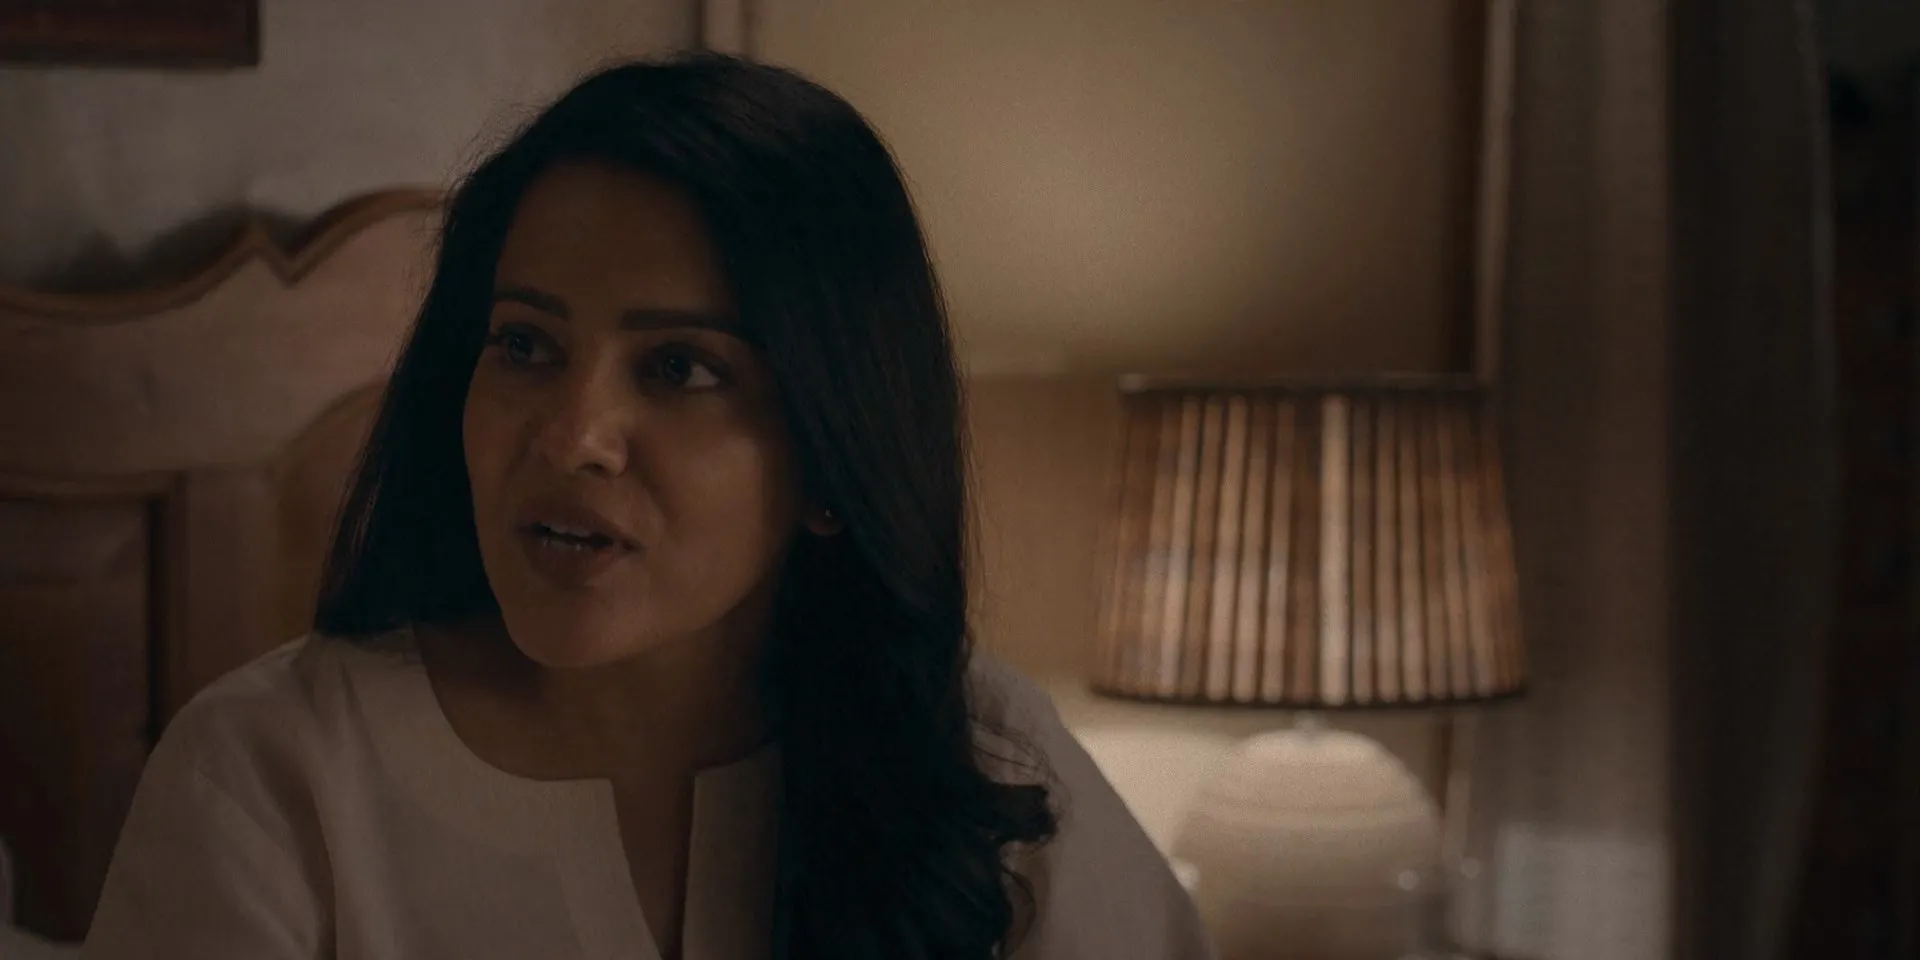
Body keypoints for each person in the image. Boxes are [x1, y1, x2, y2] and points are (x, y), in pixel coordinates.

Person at [81, 53, 1214, 960]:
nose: (570, 435)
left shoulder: (980, 760)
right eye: (525, 345)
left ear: (830, 462)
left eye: (679, 368)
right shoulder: (274, 777)